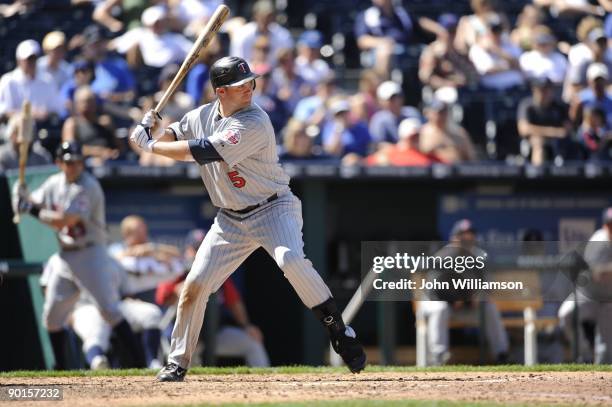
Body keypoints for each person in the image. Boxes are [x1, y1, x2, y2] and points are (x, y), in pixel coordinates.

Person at [130, 56, 366, 381]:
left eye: (250, 82)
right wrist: (151, 129)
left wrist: (150, 147)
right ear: (221, 91)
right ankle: (177, 362)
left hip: (273, 208)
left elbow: (202, 150)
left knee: (290, 260)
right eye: (242, 86)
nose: (250, 89)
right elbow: (176, 133)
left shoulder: (254, 120)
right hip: (230, 220)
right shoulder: (201, 115)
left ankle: (339, 331)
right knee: (194, 286)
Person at [11, 141, 145, 369]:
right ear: (58, 163)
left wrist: (29, 208)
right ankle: (60, 371)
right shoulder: (54, 183)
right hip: (66, 257)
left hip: (90, 255)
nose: (74, 166)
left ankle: (140, 363)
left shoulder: (88, 186)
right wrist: (21, 194)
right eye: (69, 162)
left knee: (110, 311)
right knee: (52, 318)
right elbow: (33, 200)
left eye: (77, 162)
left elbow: (64, 220)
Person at [156, 229, 271, 367]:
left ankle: (266, 386)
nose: (199, 253)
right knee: (187, 365)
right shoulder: (178, 271)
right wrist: (182, 288)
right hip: (183, 338)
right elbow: (161, 298)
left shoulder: (218, 272)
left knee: (252, 343)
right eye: (196, 249)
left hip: (215, 334)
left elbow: (234, 302)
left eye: (203, 248)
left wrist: (246, 326)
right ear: (188, 250)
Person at [418, 219, 510, 365]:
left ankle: (501, 354)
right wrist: (455, 299)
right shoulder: (443, 257)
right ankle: (438, 356)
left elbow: (486, 286)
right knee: (440, 308)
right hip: (434, 303)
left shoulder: (478, 257)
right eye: (462, 236)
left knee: (489, 308)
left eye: (470, 235)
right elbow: (436, 290)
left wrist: (478, 295)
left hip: (461, 308)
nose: (466, 239)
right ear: (453, 238)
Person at [558, 207, 612, 363]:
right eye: (610, 224)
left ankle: (597, 382)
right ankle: (585, 353)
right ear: (605, 225)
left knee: (607, 352)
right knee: (566, 315)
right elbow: (597, 274)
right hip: (588, 295)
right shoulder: (599, 240)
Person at [108, 215, 185, 304]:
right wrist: (133, 252)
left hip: (152, 297)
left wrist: (151, 248)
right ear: (127, 234)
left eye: (143, 230)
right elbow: (113, 259)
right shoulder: (117, 249)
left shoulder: (150, 249)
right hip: (125, 298)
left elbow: (177, 254)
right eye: (138, 232)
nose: (143, 234)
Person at [0, 39, 63, 121]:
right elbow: (3, 111)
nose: (31, 62)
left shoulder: (48, 80)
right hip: (15, 128)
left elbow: (56, 109)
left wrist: (44, 114)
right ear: (19, 61)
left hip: (42, 127)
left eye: (33, 59)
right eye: (28, 59)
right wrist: (26, 115)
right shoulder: (8, 81)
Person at [517, 77, 571, 165]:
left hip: (557, 142)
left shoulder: (559, 107)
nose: (544, 93)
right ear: (534, 90)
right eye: (541, 89)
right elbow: (524, 129)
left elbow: (566, 129)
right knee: (538, 143)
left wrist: (555, 134)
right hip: (533, 142)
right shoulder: (527, 105)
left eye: (547, 89)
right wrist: (552, 132)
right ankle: (538, 176)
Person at [419, 99, 476, 163]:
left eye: (444, 111)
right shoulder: (421, 133)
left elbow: (471, 158)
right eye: (438, 112)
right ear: (428, 113)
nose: (441, 115)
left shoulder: (459, 133)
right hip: (430, 171)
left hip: (457, 170)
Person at [364, 118, 440, 166]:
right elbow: (365, 163)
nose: (416, 139)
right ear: (404, 138)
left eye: (418, 136)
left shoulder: (429, 156)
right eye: (413, 136)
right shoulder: (390, 153)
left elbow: (446, 167)